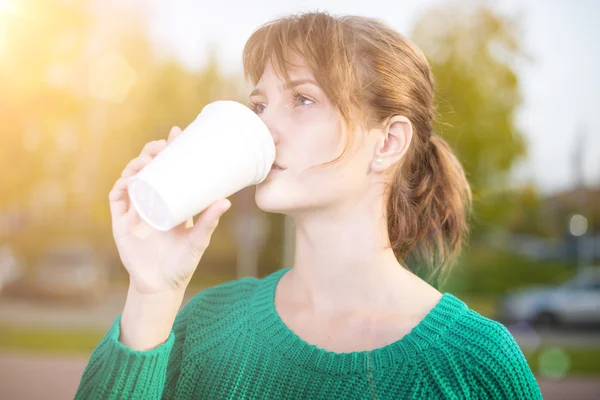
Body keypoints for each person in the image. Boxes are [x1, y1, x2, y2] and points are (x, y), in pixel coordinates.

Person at [75, 12, 542, 399]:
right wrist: (151, 294)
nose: (265, 128)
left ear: (389, 142)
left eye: (302, 99)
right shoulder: (205, 327)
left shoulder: (475, 365)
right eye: (260, 105)